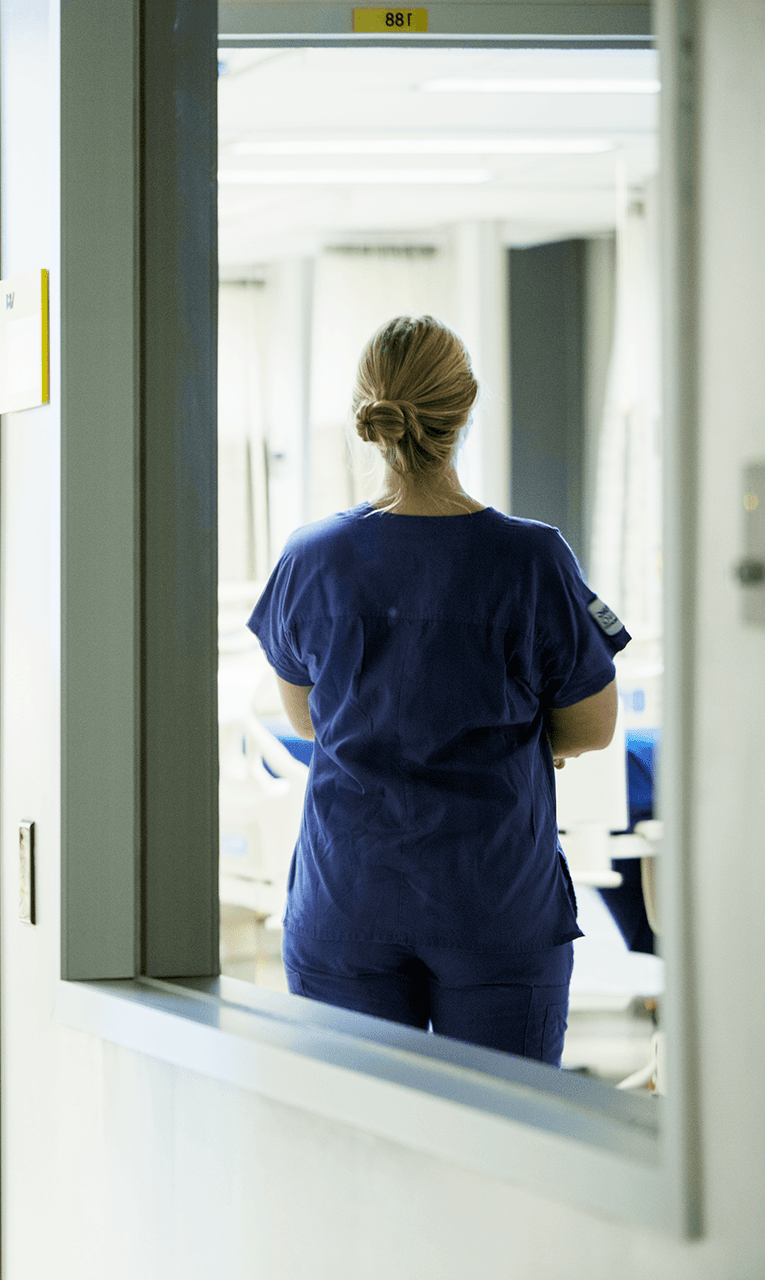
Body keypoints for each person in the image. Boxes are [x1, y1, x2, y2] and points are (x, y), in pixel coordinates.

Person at [247, 314, 626, 1066]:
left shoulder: (313, 557)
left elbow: (309, 717)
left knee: (356, 1146)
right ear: (466, 407)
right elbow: (592, 726)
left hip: (348, 899)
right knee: (504, 1145)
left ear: (368, 414)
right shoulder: (532, 559)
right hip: (494, 905)